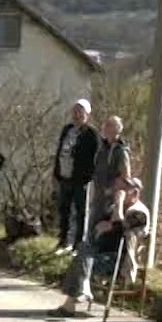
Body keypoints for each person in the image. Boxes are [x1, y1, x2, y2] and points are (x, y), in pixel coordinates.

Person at [48, 177, 146, 319]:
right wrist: (110, 219)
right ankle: (80, 292)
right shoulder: (116, 208)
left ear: (135, 193)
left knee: (81, 257)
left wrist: (116, 210)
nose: (120, 192)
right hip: (100, 255)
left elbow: (123, 227)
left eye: (125, 190)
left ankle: (73, 302)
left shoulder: (139, 212)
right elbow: (99, 226)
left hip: (118, 261)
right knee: (82, 252)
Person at [51, 100, 98, 254]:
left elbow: (94, 157)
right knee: (64, 209)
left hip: (80, 179)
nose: (77, 115)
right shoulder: (67, 130)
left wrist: (88, 175)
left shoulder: (91, 134)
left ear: (87, 115)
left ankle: (78, 244)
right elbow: (60, 150)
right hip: (65, 176)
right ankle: (63, 240)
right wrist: (56, 172)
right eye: (75, 111)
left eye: (81, 112)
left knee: (80, 211)